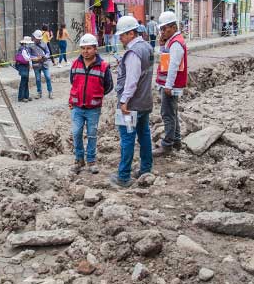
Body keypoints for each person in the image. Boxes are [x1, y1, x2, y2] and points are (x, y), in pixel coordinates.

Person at [110, 15, 154, 188]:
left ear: (130, 33)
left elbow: (132, 80)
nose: (120, 38)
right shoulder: (147, 47)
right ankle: (145, 169)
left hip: (131, 106)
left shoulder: (133, 52)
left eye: (121, 35)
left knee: (127, 139)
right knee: (144, 135)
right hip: (145, 102)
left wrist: (124, 101)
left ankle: (123, 176)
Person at [69, 34, 114, 174]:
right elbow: (73, 82)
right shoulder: (75, 64)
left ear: (96, 49)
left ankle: (91, 161)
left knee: (92, 134)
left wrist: (96, 96)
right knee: (76, 133)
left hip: (93, 108)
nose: (85, 51)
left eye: (88, 48)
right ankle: (79, 159)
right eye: (83, 48)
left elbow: (108, 86)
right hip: (77, 107)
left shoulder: (103, 67)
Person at [153, 11, 187, 157]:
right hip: (169, 84)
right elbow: (165, 60)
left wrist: (168, 85)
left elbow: (173, 66)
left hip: (171, 86)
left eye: (164, 29)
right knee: (172, 113)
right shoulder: (172, 41)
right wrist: (161, 45)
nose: (162, 32)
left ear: (173, 27)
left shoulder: (176, 43)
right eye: (161, 29)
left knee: (167, 114)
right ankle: (176, 140)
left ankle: (167, 145)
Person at [30, 30, 54, 99]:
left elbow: (48, 52)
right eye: (37, 38)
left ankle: (50, 92)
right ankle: (39, 93)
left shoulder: (44, 44)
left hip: (44, 63)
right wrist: (36, 58)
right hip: (36, 65)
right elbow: (29, 55)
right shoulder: (31, 45)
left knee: (48, 77)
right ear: (34, 37)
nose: (38, 40)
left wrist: (45, 56)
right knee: (37, 79)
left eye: (39, 39)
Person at [15, 36, 36, 102]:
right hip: (23, 66)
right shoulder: (23, 49)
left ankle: (25, 96)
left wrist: (30, 64)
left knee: (25, 81)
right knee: (24, 81)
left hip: (24, 66)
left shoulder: (24, 49)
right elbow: (27, 58)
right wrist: (33, 59)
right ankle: (21, 97)